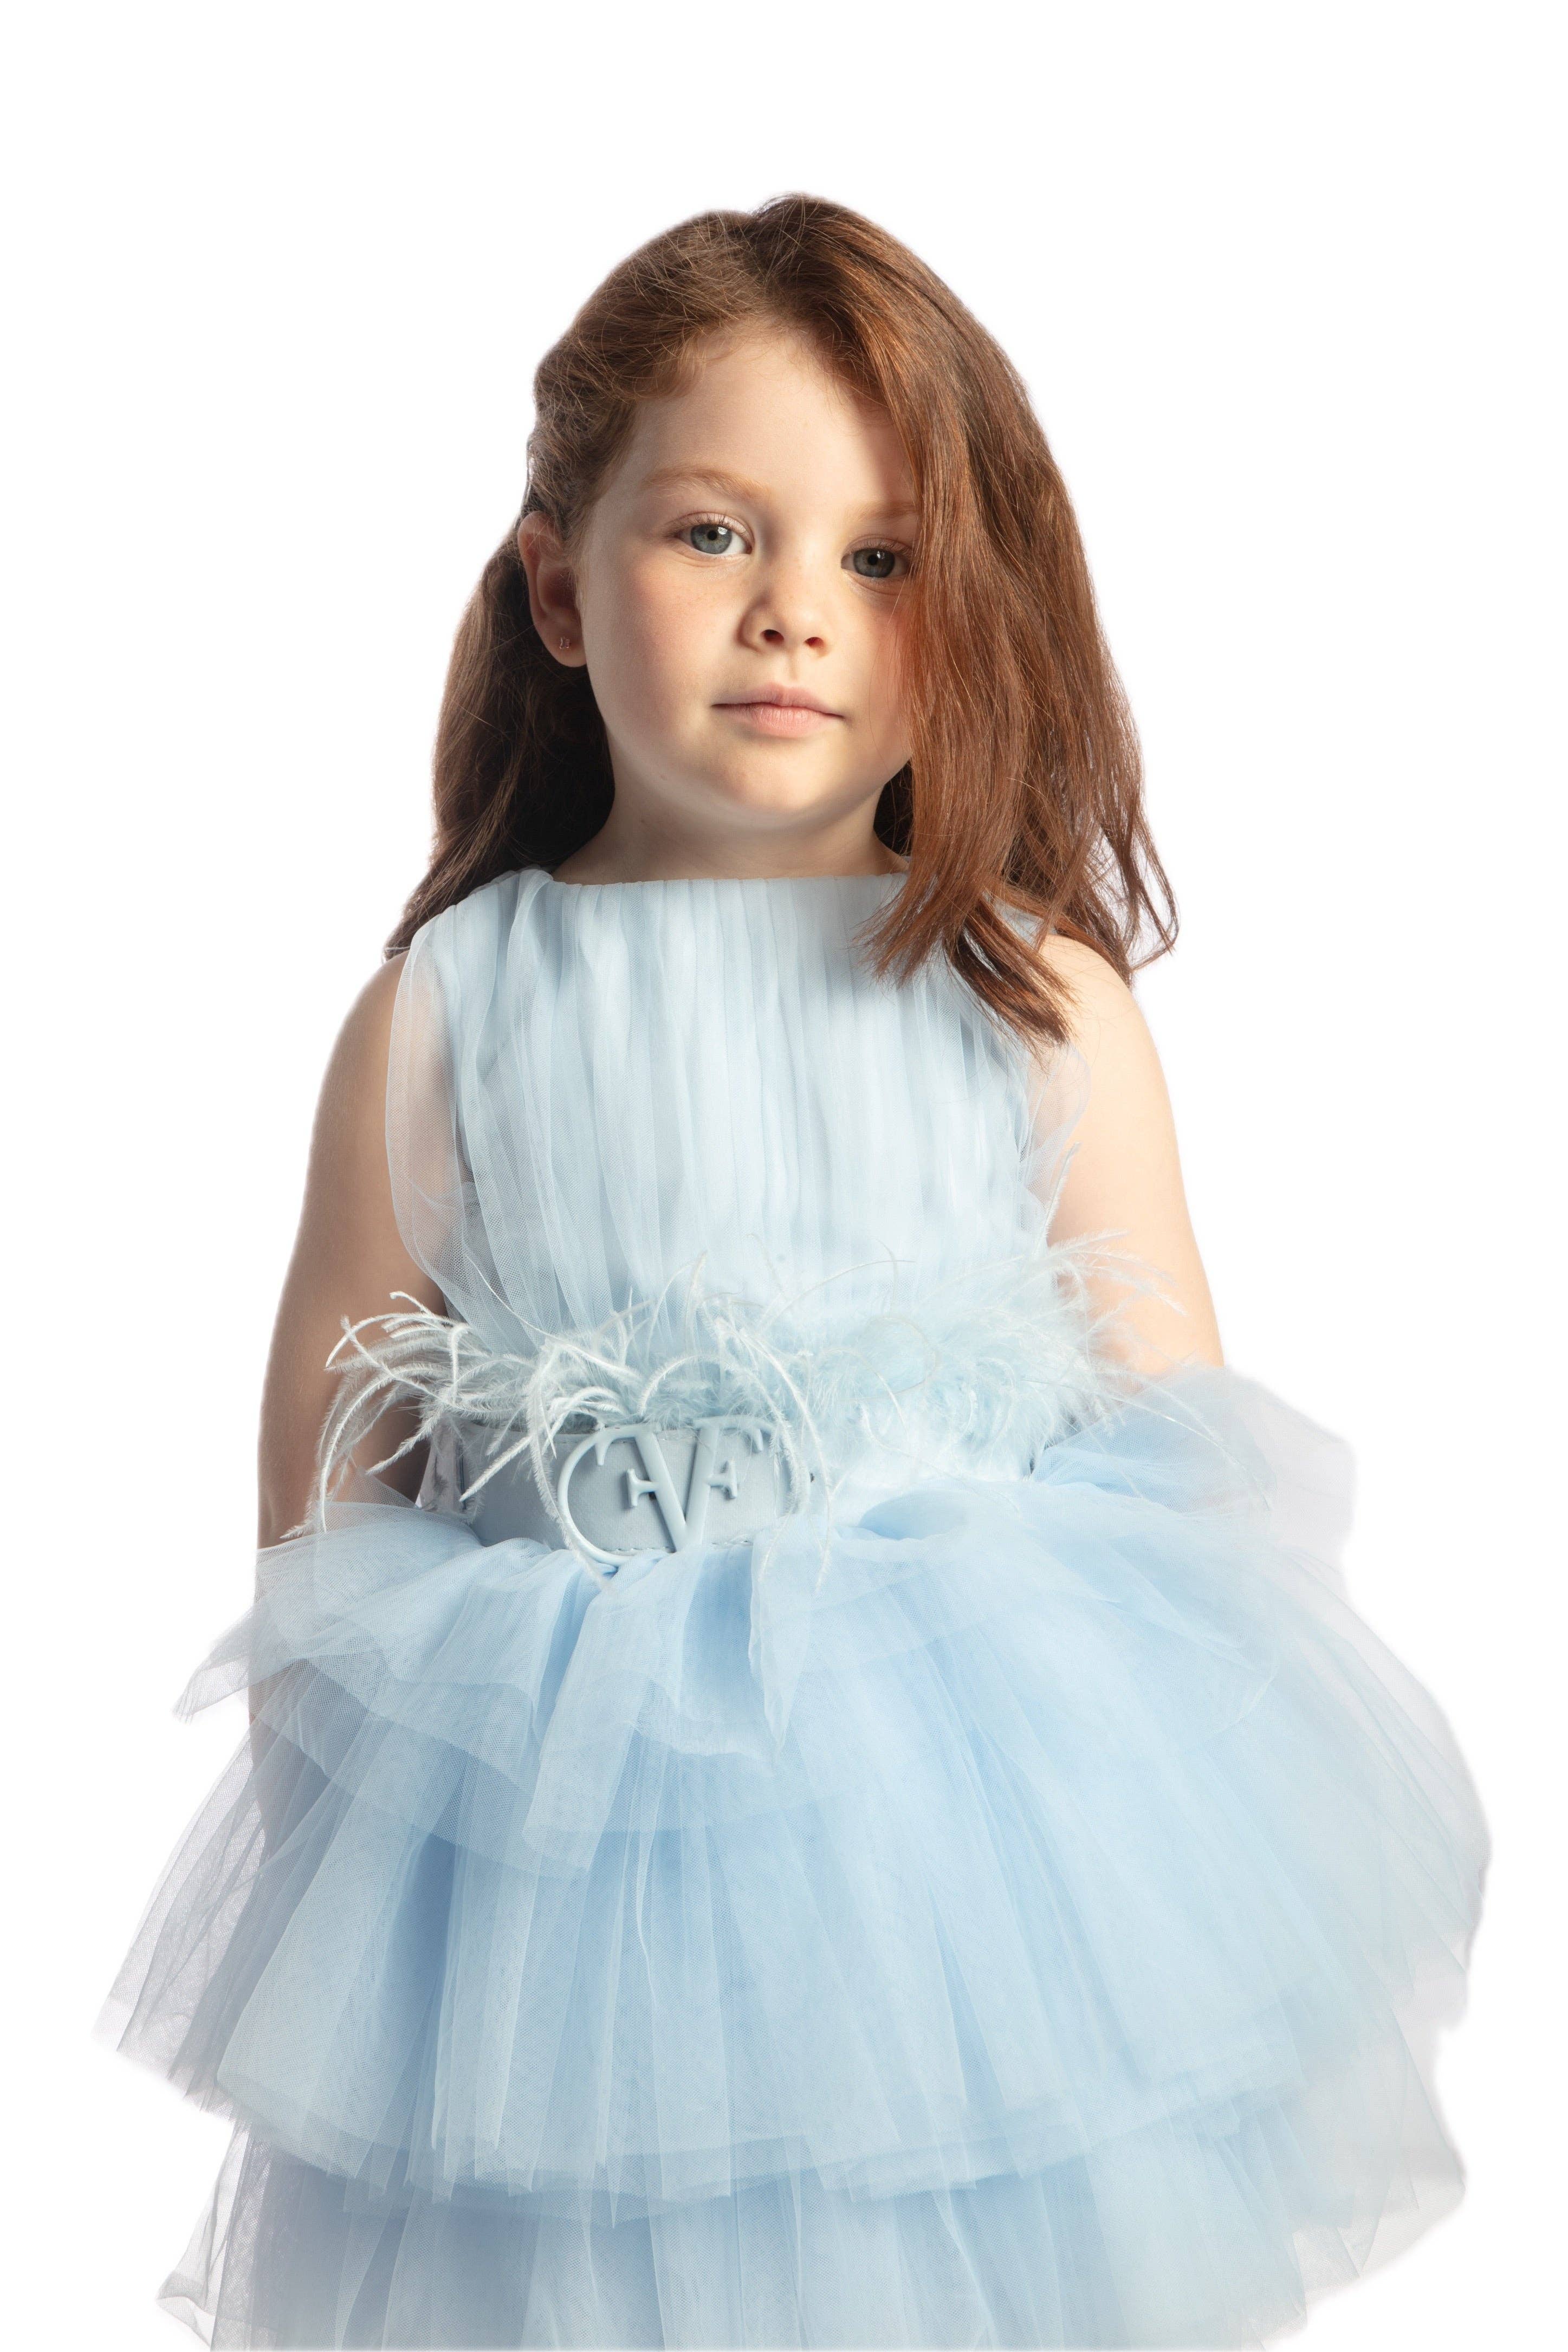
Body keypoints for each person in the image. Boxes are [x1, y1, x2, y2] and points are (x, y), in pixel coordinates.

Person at [96, 193, 1489, 2349]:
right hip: (558, 1924)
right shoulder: (451, 1009)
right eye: (713, 534)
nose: (794, 613)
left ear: (972, 607)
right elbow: (326, 1516)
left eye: (880, 556)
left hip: (962, 1913)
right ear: (560, 588)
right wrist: (354, 1923)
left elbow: (1187, 1490)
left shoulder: (1030, 997)